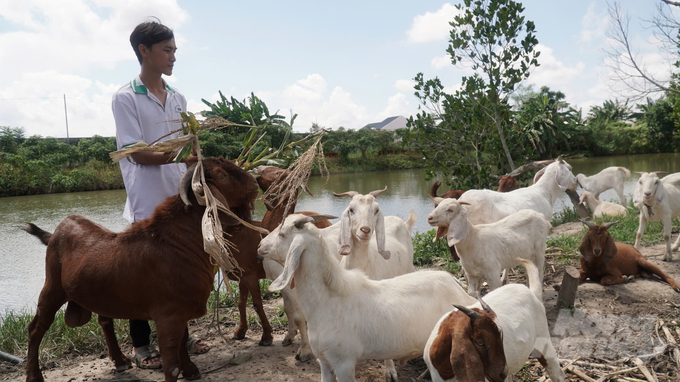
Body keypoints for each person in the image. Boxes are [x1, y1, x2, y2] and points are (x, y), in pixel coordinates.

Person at [112, 18, 208, 370]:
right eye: (167, 50)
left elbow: (186, 148)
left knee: (181, 268)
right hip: (146, 198)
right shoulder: (126, 97)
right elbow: (135, 153)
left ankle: (181, 337)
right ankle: (140, 344)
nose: (173, 57)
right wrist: (182, 155)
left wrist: (196, 172)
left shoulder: (178, 97)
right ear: (144, 51)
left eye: (174, 51)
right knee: (145, 271)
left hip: (179, 198)